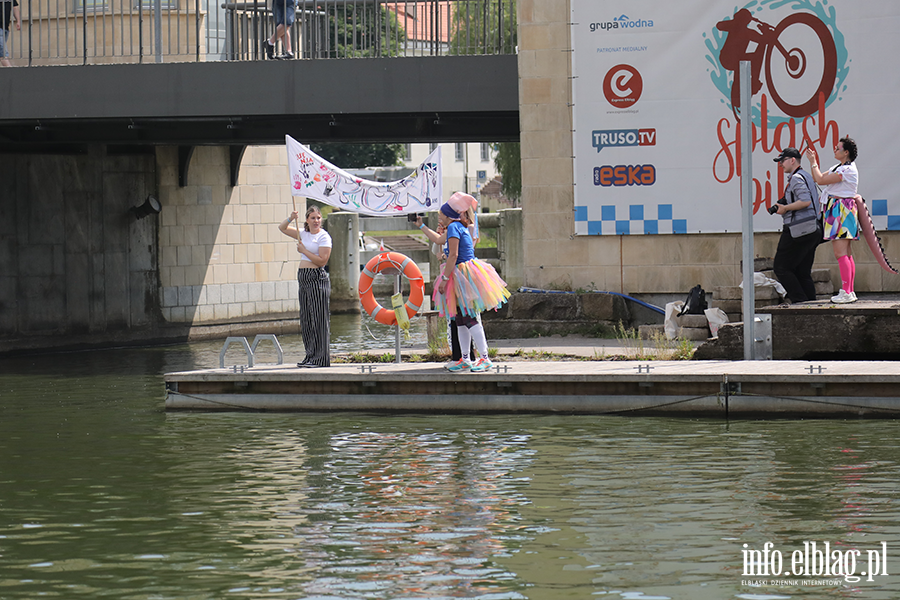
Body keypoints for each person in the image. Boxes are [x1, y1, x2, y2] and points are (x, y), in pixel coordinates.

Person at [417, 202, 510, 373]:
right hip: (461, 273)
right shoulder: (456, 226)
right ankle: (465, 358)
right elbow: (438, 239)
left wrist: (444, 279)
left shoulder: (453, 228)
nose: (439, 218)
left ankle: (484, 357)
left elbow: (453, 255)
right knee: (460, 319)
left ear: (448, 216)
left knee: (469, 317)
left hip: (463, 274)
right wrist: (421, 225)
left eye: (441, 215)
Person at [806, 136, 859, 303]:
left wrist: (813, 161)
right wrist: (813, 163)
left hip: (841, 210)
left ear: (846, 152)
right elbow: (818, 177)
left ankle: (847, 292)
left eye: (837, 148)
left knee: (841, 253)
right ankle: (848, 290)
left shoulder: (846, 170)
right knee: (846, 254)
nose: (834, 150)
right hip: (840, 209)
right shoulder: (840, 167)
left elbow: (820, 179)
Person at [279, 206, 332, 367]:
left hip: (317, 278)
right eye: (313, 218)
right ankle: (310, 356)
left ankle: (321, 359)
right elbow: (282, 228)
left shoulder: (324, 237)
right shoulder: (303, 233)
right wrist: (290, 217)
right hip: (304, 277)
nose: (316, 221)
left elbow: (323, 261)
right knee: (307, 319)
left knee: (319, 319)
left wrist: (303, 250)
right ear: (307, 220)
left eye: (318, 218)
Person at [771, 147, 822, 303]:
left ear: (792, 160)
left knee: (781, 268)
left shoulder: (796, 178)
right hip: (813, 229)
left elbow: (805, 201)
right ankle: (810, 305)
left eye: (783, 160)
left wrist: (785, 208)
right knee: (802, 271)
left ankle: (799, 302)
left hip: (798, 230)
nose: (780, 164)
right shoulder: (806, 175)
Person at [0, 0, 20, 68]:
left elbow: (15, 7)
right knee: (2, 52)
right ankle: (10, 69)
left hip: (5, 27)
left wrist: (18, 21)